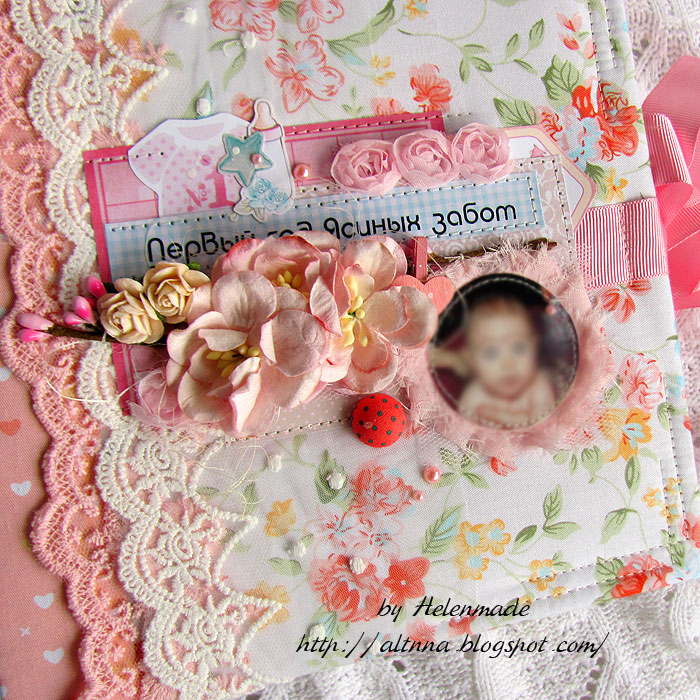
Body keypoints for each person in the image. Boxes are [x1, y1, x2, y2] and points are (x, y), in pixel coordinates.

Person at [431, 292, 556, 428]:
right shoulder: (474, 396)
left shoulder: (538, 387)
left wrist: (506, 418)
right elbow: (460, 431)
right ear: (471, 360)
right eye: (491, 353)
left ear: (535, 347)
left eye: (519, 348)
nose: (508, 364)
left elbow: (546, 428)